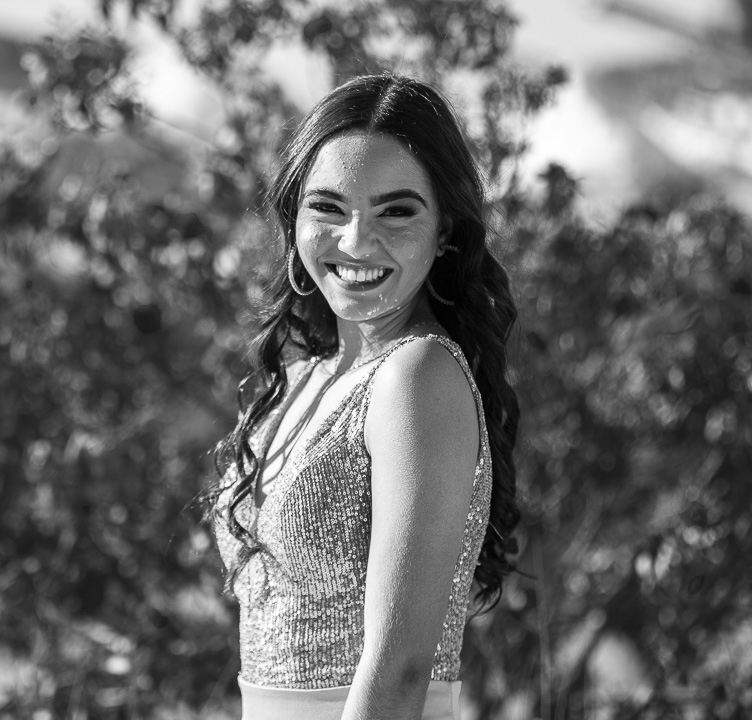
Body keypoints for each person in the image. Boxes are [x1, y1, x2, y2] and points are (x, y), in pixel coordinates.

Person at [207, 74, 521, 720]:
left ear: (445, 231)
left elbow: (399, 671)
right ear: (294, 218)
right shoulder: (302, 378)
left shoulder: (418, 376)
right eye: (328, 207)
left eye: (396, 212)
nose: (355, 241)